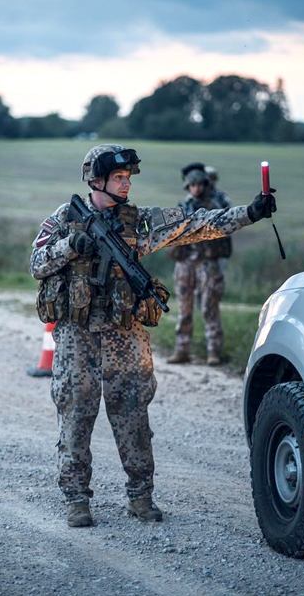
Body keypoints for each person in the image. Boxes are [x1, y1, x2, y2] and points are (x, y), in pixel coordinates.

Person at [28, 144, 276, 527]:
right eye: (119, 178)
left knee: (133, 414)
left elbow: (196, 224)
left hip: (125, 333)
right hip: (77, 335)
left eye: (129, 178)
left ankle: (140, 496)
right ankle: (77, 499)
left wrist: (250, 212)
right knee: (76, 413)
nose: (127, 185)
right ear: (96, 179)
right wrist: (68, 247)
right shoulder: (64, 219)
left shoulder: (139, 221)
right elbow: (37, 264)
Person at [167, 167, 233, 366]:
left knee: (209, 306)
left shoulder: (215, 204)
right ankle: (182, 348)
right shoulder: (183, 205)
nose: (195, 189)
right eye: (192, 185)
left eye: (199, 185)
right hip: (185, 261)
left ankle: (213, 350)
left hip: (207, 261)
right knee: (184, 307)